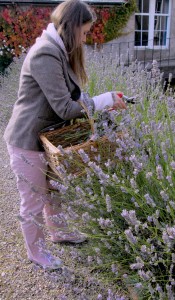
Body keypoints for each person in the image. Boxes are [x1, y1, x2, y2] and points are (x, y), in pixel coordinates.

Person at [4, 0, 126, 270]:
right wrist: (104, 100)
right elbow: (65, 108)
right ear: (71, 28)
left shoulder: (58, 50)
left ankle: (59, 232)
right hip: (27, 138)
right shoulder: (45, 54)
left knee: (55, 189)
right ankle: (36, 253)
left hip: (47, 136)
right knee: (34, 198)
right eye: (83, 33)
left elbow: (74, 96)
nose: (85, 38)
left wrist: (107, 100)